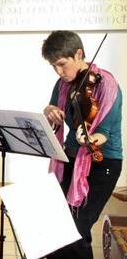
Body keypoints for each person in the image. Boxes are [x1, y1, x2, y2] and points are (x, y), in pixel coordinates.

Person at [42, 30, 122, 259]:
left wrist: (88, 139)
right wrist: (49, 111)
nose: (58, 72)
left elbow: (103, 134)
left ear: (79, 54)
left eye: (62, 64)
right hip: (69, 158)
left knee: (77, 227)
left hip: (102, 163)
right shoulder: (63, 84)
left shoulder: (107, 84)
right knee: (59, 224)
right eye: (53, 66)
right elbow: (51, 110)